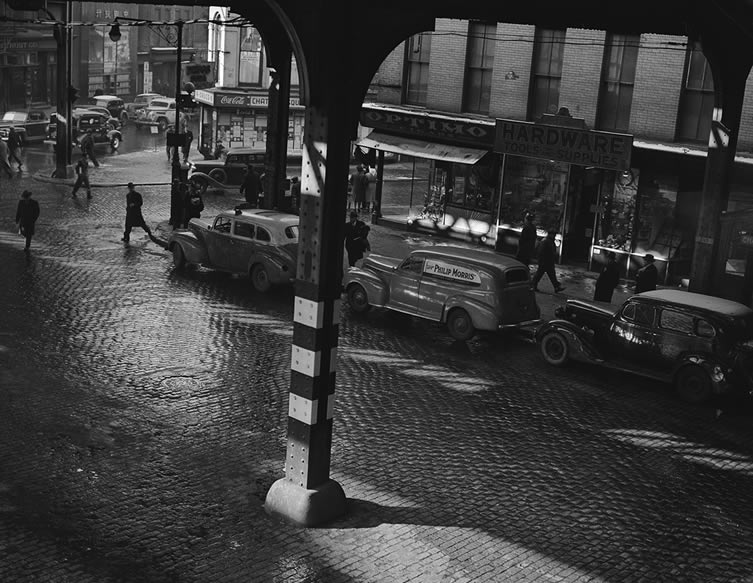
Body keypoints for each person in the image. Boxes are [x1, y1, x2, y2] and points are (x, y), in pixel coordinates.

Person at [532, 229, 565, 293]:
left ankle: (556, 287)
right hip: (545, 261)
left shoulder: (548, 241)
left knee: (550, 274)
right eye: (554, 234)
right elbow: (541, 252)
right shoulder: (546, 241)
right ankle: (533, 285)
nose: (554, 236)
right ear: (550, 234)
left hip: (548, 261)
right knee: (541, 274)